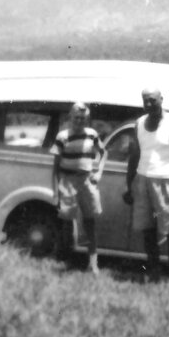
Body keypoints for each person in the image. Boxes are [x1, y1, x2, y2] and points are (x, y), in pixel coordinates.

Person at [124, 87, 169, 280]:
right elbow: (134, 156)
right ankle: (154, 271)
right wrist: (128, 184)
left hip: (166, 181)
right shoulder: (138, 124)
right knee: (148, 230)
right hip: (142, 180)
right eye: (145, 101)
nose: (148, 105)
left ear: (161, 99)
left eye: (152, 100)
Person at [51, 102, 106, 274]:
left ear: (87, 120)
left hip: (86, 181)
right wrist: (56, 191)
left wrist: (99, 173)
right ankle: (69, 260)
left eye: (83, 118)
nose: (79, 121)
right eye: (76, 118)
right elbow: (55, 167)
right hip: (67, 181)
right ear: (70, 118)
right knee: (67, 222)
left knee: (90, 222)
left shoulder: (92, 134)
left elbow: (103, 153)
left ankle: (93, 263)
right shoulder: (62, 136)